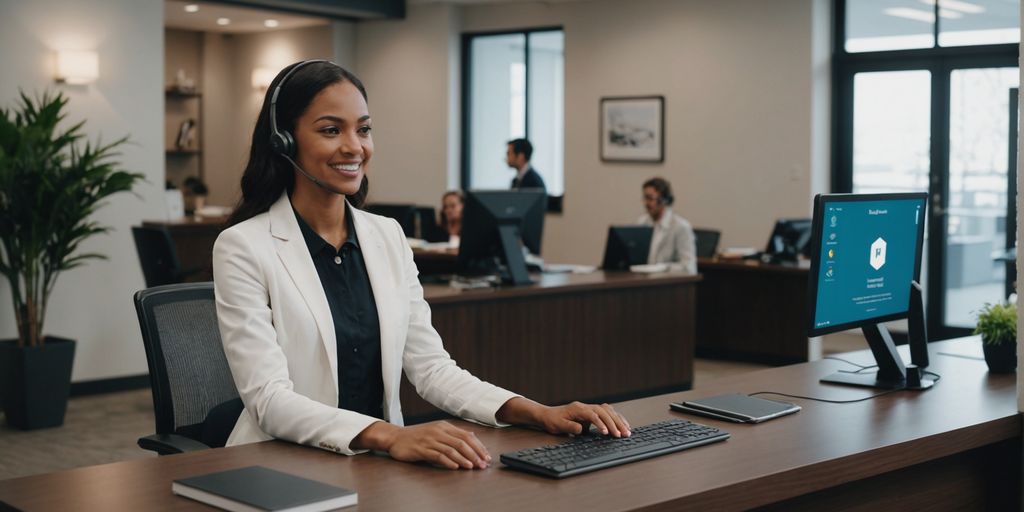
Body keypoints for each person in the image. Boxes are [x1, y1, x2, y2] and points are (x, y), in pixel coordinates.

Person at [214, 60, 630, 470]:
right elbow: (269, 400)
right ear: (283, 141)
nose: (354, 147)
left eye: (363, 129)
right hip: (281, 463)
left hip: (374, 465)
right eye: (330, 130)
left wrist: (539, 412)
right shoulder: (244, 247)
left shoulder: (388, 237)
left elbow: (431, 370)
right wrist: (392, 435)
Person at [638, 177, 697, 274]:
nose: (646, 203)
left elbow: (689, 268)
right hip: (645, 280)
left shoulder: (681, 227)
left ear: (664, 200)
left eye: (650, 198)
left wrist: (662, 268)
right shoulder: (642, 223)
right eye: (645, 198)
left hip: (668, 284)